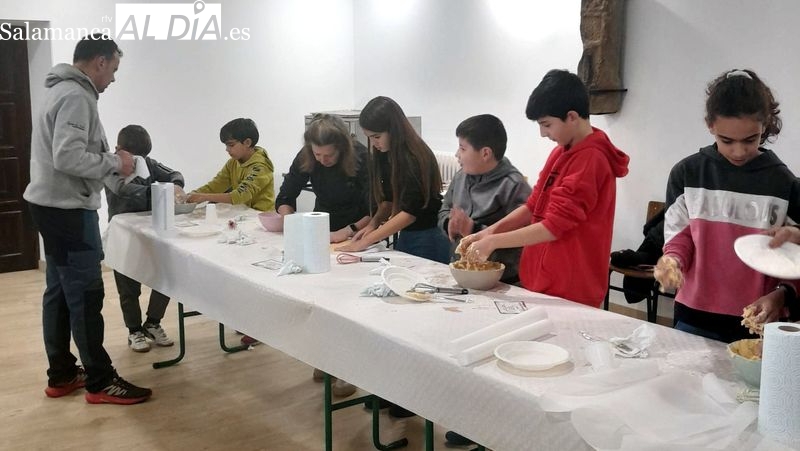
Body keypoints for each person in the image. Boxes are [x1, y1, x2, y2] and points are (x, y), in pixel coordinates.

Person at [23, 34, 152, 404]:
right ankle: (100, 380)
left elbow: (73, 153)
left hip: (50, 207)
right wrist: (117, 163)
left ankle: (61, 374)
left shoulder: (59, 90)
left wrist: (112, 165)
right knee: (86, 294)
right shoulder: (76, 95)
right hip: (67, 211)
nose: (113, 78)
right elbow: (68, 158)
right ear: (100, 61)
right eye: (113, 69)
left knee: (60, 292)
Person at [459, 69, 629, 307]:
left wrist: (494, 242)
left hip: (571, 286)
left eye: (546, 125)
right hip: (543, 279)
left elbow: (553, 227)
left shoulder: (591, 159)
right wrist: (489, 233)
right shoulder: (560, 152)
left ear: (571, 117)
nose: (542, 133)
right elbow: (533, 205)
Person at [654, 68, 800, 343]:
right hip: (694, 314)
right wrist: (671, 261)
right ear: (710, 126)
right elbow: (680, 237)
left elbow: (793, 258)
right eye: (726, 141)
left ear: (764, 127)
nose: (739, 152)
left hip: (756, 319)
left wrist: (782, 293)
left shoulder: (783, 182)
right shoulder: (688, 173)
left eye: (750, 140)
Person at [337, 96, 450, 264]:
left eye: (376, 137)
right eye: (369, 137)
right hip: (407, 233)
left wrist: (365, 241)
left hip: (428, 234)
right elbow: (388, 200)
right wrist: (372, 225)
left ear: (393, 129)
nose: (373, 143)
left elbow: (409, 214)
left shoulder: (415, 157)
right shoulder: (385, 153)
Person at [105, 125, 181, 353]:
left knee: (165, 279)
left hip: (153, 232)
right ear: (119, 150)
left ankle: (153, 322)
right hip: (124, 235)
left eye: (142, 157)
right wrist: (157, 192)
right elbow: (122, 189)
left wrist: (175, 185)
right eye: (134, 157)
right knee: (128, 288)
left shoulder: (149, 163)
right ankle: (134, 331)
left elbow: (174, 174)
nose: (138, 162)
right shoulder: (111, 168)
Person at [438, 114, 531, 283]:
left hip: (502, 280)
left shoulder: (513, 185)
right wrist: (448, 222)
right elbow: (445, 208)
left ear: (485, 153)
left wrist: (474, 229)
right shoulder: (461, 176)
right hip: (463, 272)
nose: (457, 154)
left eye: (463, 148)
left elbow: (522, 240)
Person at [275, 113, 371, 243]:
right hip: (321, 226)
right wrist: (291, 223)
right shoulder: (306, 155)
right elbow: (286, 195)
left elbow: (375, 211)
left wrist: (348, 231)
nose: (323, 160)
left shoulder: (362, 158)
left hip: (358, 230)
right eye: (317, 154)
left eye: (329, 155)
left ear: (342, 148)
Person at [187, 118, 275, 212]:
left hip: (260, 217)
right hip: (242, 214)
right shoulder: (232, 162)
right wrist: (192, 194)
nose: (227, 149)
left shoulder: (261, 166)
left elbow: (240, 195)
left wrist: (204, 197)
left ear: (247, 143)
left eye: (231, 145)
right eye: (226, 145)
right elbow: (215, 185)